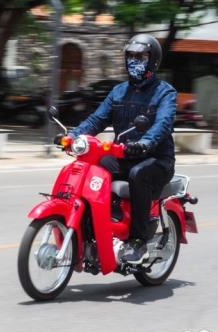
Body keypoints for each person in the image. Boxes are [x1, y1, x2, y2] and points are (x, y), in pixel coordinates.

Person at [54, 34, 177, 265]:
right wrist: (71, 136)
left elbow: (163, 124)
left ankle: (137, 241)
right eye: (130, 56)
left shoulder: (165, 92)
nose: (134, 61)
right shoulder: (118, 91)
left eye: (140, 56)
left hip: (157, 160)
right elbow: (96, 120)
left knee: (138, 175)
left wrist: (146, 143)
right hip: (124, 155)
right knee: (94, 167)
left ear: (153, 60)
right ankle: (98, 227)